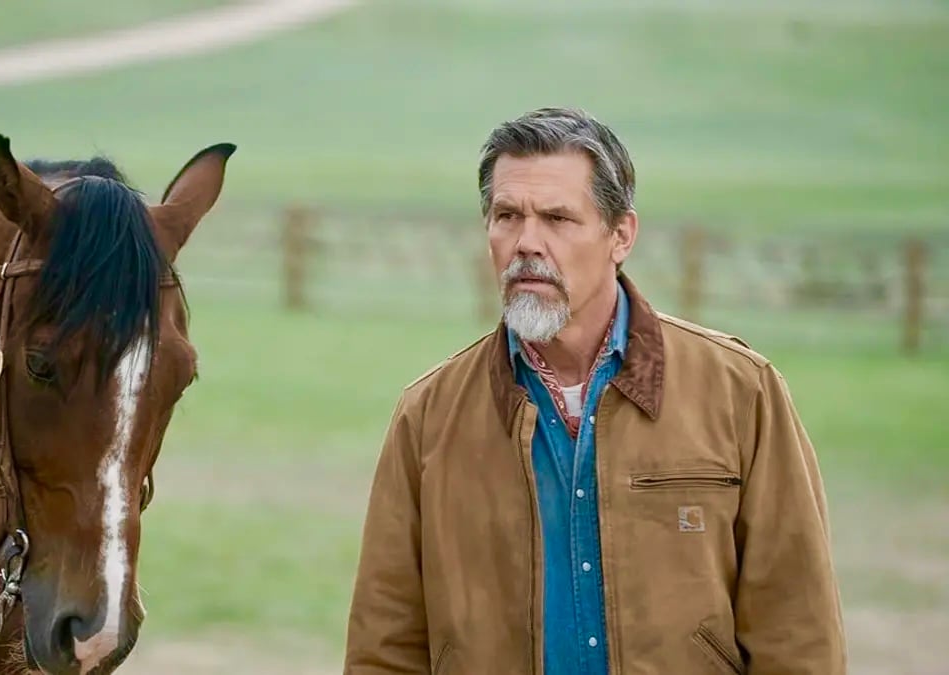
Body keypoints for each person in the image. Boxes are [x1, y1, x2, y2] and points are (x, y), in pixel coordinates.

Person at [342, 107, 846, 674]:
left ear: (621, 234)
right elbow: (384, 647)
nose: (526, 242)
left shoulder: (740, 392)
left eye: (557, 218)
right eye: (507, 215)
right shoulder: (427, 415)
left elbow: (797, 631)